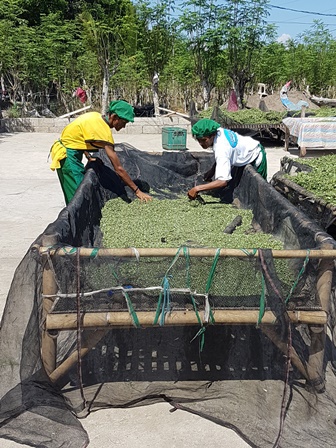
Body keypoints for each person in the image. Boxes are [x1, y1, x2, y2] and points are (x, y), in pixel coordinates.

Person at [50, 100, 152, 204]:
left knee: (78, 194)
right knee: (79, 196)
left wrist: (88, 156)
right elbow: (119, 169)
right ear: (114, 117)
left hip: (69, 151)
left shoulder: (96, 116)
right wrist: (137, 191)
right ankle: (78, 220)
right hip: (67, 157)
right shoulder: (103, 132)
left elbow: (79, 137)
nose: (124, 126)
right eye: (124, 122)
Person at [187, 118, 267, 200]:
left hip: (255, 155)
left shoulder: (222, 149)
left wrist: (197, 189)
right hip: (245, 151)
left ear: (212, 135)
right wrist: (212, 171)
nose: (201, 143)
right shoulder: (219, 131)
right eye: (198, 140)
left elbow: (223, 181)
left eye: (204, 140)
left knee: (259, 193)